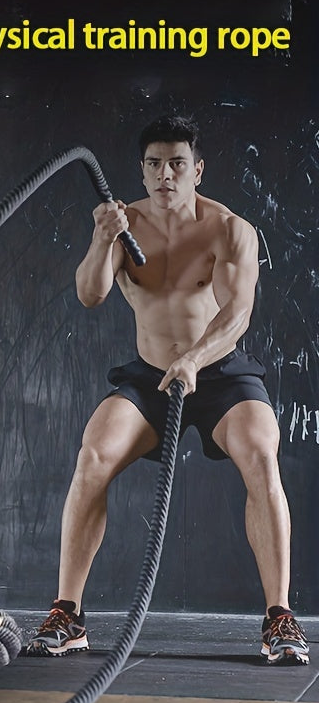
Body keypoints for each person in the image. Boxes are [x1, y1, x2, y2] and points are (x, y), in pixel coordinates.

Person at [26, 115, 309, 665]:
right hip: (151, 375)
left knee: (260, 452)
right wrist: (101, 240)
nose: (165, 175)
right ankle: (69, 613)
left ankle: (279, 617)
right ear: (142, 170)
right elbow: (90, 294)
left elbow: (238, 312)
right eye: (154, 164)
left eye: (177, 164)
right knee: (93, 454)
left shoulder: (229, 229)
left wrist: (194, 358)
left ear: (197, 170)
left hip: (220, 372)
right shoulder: (124, 223)